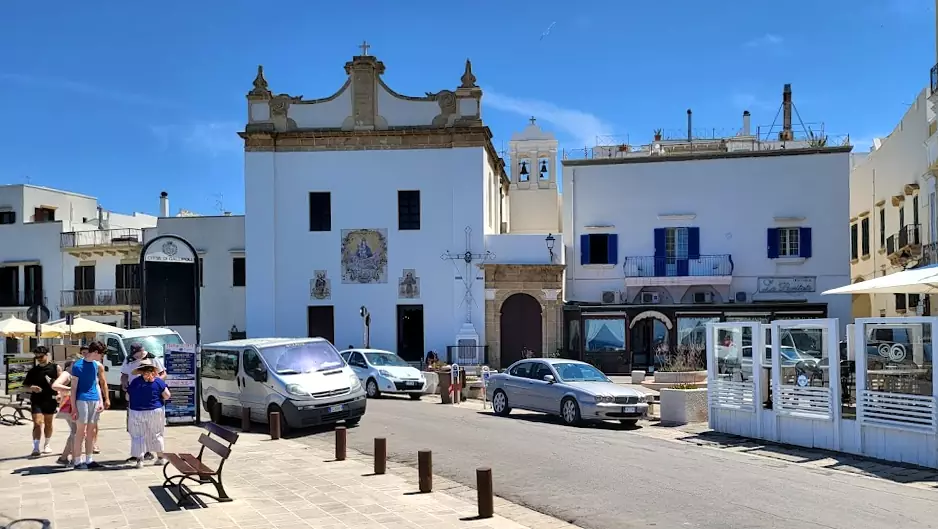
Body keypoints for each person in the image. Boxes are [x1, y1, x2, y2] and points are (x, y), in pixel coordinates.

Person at [120, 343, 165, 463]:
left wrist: (155, 383)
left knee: (149, 430)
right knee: (135, 428)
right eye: (134, 354)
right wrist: (124, 383)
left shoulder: (153, 358)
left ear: (142, 351)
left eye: (137, 354)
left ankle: (146, 453)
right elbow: (124, 375)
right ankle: (141, 454)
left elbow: (163, 373)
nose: (135, 356)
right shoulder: (129, 360)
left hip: (147, 397)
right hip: (136, 395)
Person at [126, 359, 170, 468]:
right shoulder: (159, 382)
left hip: (137, 411)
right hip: (155, 411)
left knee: (138, 435)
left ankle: (140, 460)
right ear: (153, 371)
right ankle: (160, 458)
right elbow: (167, 395)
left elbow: (127, 397)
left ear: (140, 371)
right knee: (157, 433)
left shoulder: (135, 382)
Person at [70, 341, 106, 470]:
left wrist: (101, 400)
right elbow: (73, 388)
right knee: (81, 431)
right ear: (96, 352)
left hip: (94, 399)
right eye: (101, 354)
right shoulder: (78, 366)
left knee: (91, 431)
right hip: (82, 400)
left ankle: (89, 459)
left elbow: (96, 384)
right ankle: (77, 461)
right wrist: (73, 407)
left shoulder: (96, 365)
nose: (102, 357)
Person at [23, 346, 61, 457]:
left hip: (50, 399)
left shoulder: (55, 368)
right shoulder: (33, 371)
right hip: (37, 400)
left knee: (48, 423)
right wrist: (32, 388)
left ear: (47, 355)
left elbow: (61, 383)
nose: (39, 359)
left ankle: (47, 444)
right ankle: (36, 447)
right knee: (37, 423)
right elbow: (25, 385)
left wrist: (59, 394)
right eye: (37, 357)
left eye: (41, 356)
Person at [51, 359, 76, 465]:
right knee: (76, 432)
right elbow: (55, 385)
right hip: (69, 406)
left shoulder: (72, 374)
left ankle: (65, 458)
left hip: (72, 405)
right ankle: (71, 458)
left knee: (76, 432)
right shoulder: (67, 374)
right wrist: (71, 388)